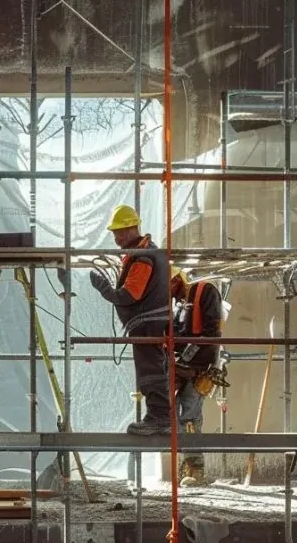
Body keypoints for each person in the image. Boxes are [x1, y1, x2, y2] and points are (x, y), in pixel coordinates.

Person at [89, 205, 173, 435]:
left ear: (130, 229)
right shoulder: (147, 252)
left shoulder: (143, 256)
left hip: (147, 323)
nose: (116, 237)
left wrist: (105, 290)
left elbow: (129, 295)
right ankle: (161, 418)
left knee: (150, 370)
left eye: (118, 232)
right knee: (153, 368)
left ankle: (159, 418)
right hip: (151, 321)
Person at [170, 267, 224, 487]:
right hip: (178, 365)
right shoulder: (178, 302)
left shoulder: (206, 291)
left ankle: (195, 468)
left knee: (190, 416)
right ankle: (187, 463)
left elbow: (211, 332)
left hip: (197, 366)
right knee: (169, 413)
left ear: (176, 280)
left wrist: (185, 356)